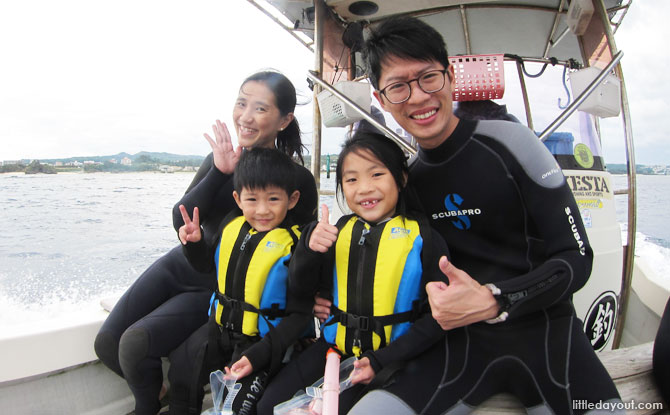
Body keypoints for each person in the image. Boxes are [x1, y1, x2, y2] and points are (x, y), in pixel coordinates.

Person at [344, 16, 623, 415]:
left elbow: (577, 258)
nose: (419, 97)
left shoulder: (512, 144)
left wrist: (497, 299)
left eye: (428, 78)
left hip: (549, 334)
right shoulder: (408, 181)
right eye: (398, 86)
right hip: (459, 345)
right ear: (382, 98)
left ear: (451, 77)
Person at [93, 70, 317, 415]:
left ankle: (147, 407)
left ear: (285, 119)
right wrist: (219, 171)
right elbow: (180, 218)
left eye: (260, 108)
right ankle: (158, 395)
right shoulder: (220, 160)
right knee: (107, 344)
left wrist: (311, 298)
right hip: (181, 263)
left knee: (135, 345)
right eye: (241, 103)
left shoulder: (293, 181)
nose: (245, 116)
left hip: (216, 283)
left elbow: (300, 252)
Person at [256, 132, 450, 415]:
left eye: (376, 174)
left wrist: (382, 360)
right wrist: (309, 251)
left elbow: (436, 320)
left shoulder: (426, 240)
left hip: (394, 358)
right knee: (266, 406)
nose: (364, 189)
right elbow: (301, 289)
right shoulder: (335, 233)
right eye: (351, 179)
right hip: (334, 347)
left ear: (401, 178)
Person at [176, 147, 312, 415]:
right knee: (182, 371)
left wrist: (258, 356)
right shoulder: (231, 225)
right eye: (252, 199)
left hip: (263, 343)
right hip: (218, 332)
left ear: (292, 199)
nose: (262, 210)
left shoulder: (297, 244)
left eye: (273, 199)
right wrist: (194, 243)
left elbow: (300, 316)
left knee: (238, 409)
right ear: (238, 199)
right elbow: (206, 266)